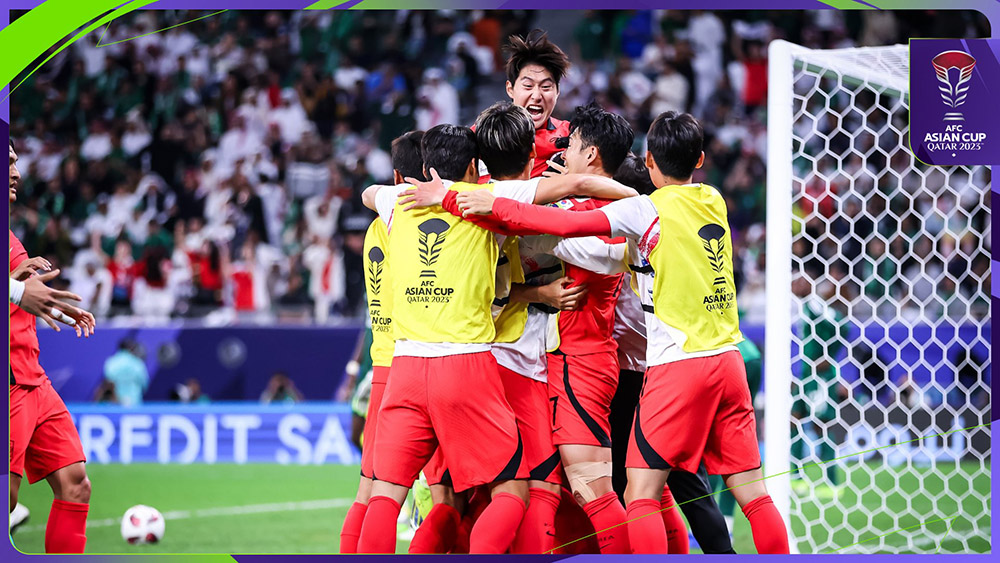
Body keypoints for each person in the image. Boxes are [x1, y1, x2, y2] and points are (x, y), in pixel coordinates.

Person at [417, 111, 791, 554]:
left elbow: (564, 228)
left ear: (647, 159)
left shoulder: (640, 210)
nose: (564, 153)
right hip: (725, 357)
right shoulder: (712, 199)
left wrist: (481, 202)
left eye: (572, 146)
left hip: (646, 363)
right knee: (747, 492)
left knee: (631, 493)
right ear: (700, 159)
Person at [340, 130, 424, 554]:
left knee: (370, 488)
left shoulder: (377, 226)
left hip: (383, 362)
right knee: (435, 492)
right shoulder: (413, 222)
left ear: (395, 176)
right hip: (416, 361)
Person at [9, 139, 93, 553]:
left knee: (75, 484)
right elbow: (15, 292)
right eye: (5, 162)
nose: (15, 172)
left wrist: (59, 309)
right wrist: (16, 290)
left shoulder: (7, 235)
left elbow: (20, 294)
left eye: (15, 162)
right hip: (8, 382)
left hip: (32, 376)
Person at [502, 30, 572, 178]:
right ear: (510, 89)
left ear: (557, 91)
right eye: (528, 86)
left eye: (546, 87)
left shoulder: (573, 138)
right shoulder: (485, 134)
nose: (536, 96)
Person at [102, 339, 149, 407]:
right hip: (135, 403)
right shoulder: (137, 363)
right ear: (131, 348)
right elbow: (144, 384)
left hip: (115, 404)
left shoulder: (111, 362)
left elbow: (108, 383)